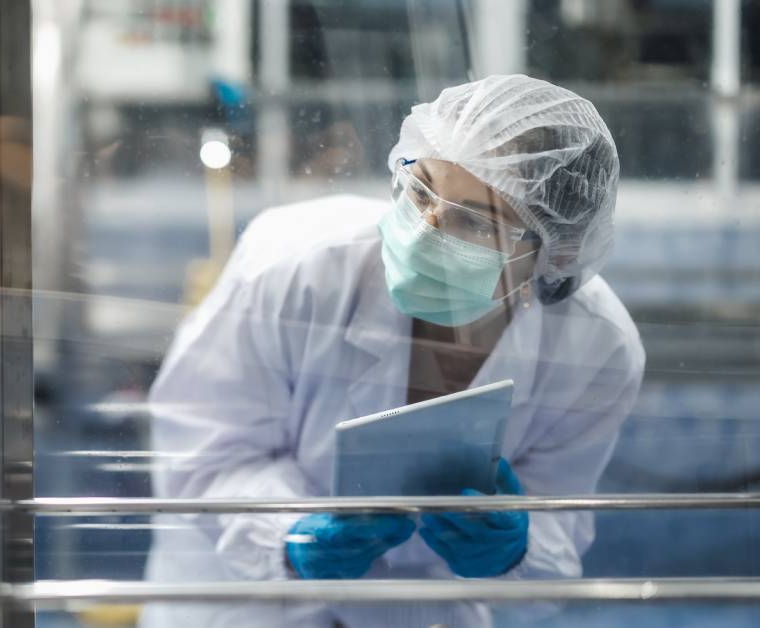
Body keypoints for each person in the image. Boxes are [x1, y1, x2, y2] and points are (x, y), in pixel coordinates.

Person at [141, 75, 646, 627]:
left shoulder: (595, 347)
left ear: (559, 249)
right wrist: (287, 534)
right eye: (422, 189)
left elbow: (559, 529)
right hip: (246, 603)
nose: (425, 229)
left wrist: (515, 552)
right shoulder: (296, 266)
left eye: (473, 221)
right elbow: (199, 452)